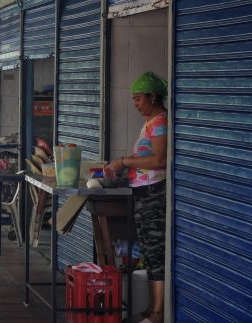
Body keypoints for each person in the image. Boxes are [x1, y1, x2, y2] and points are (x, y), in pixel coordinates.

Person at [103, 71, 168, 323]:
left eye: (138, 98)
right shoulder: (152, 123)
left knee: (156, 252)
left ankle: (158, 314)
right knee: (150, 254)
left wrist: (123, 161)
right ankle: (152, 308)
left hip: (155, 196)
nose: (135, 104)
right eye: (133, 99)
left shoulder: (160, 121)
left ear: (152, 97)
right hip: (143, 195)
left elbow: (159, 160)